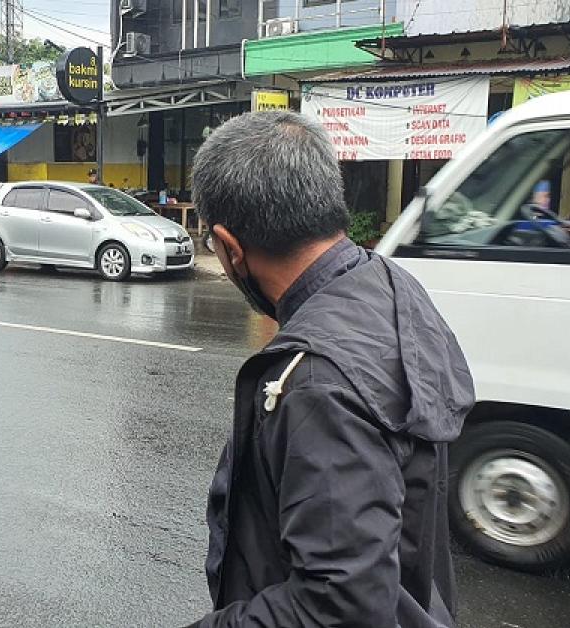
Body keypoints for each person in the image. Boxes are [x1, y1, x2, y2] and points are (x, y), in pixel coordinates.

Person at [184, 111, 474, 628]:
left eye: (216, 247)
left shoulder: (317, 381)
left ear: (230, 247)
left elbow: (340, 604)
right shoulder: (386, 283)